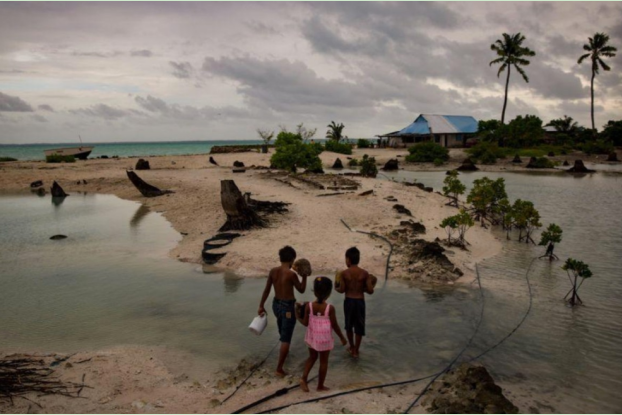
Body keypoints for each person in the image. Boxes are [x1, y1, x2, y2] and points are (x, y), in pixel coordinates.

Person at [258, 246, 308, 377]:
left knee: (282, 330)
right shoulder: (291, 274)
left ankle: (284, 353)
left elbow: (267, 290)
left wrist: (261, 305)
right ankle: (279, 368)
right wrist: (304, 276)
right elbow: (301, 289)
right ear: (292, 259)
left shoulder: (273, 271)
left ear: (280, 258)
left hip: (276, 305)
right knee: (286, 338)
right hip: (288, 308)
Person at [297, 277, 347, 392]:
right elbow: (335, 325)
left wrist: (296, 315)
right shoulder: (330, 308)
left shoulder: (309, 306)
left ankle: (303, 379)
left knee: (312, 357)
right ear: (329, 293)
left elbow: (305, 323)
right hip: (324, 339)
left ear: (314, 291)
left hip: (312, 337)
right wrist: (342, 338)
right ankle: (320, 386)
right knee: (323, 362)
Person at [335, 247, 374, 358]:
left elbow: (342, 290)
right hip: (360, 301)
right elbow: (371, 291)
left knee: (349, 325)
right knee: (359, 326)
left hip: (349, 301)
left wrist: (335, 288)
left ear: (348, 259)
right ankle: (356, 350)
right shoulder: (365, 273)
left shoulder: (344, 273)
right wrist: (364, 288)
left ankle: (351, 347)